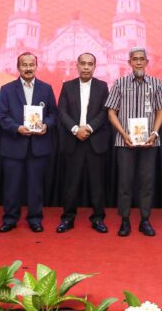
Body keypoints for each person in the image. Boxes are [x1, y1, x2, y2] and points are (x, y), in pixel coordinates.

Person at [105, 47, 162, 237]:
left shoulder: (156, 84)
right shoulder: (119, 83)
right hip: (125, 142)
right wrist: (123, 134)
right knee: (125, 183)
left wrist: (154, 133)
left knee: (147, 183)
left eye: (142, 59)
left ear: (147, 62)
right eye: (135, 59)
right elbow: (111, 112)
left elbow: (160, 111)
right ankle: (125, 221)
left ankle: (144, 220)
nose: (138, 62)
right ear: (129, 62)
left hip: (149, 142)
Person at [0, 52, 57, 233]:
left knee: (35, 186)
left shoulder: (46, 89)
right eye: (24, 65)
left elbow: (53, 114)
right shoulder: (6, 89)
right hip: (14, 145)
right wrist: (17, 128)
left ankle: (35, 219)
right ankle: (10, 219)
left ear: (36, 66)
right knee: (12, 186)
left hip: (38, 146)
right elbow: (1, 115)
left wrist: (46, 125)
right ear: (18, 67)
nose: (28, 68)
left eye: (31, 65)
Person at [56, 53, 111, 234]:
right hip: (73, 140)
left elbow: (104, 112)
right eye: (83, 64)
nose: (86, 67)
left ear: (94, 67)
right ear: (77, 65)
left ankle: (98, 218)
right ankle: (67, 219)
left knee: (97, 184)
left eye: (90, 64)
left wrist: (88, 128)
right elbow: (62, 111)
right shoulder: (67, 86)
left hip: (94, 140)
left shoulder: (102, 86)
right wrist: (75, 129)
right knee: (71, 184)